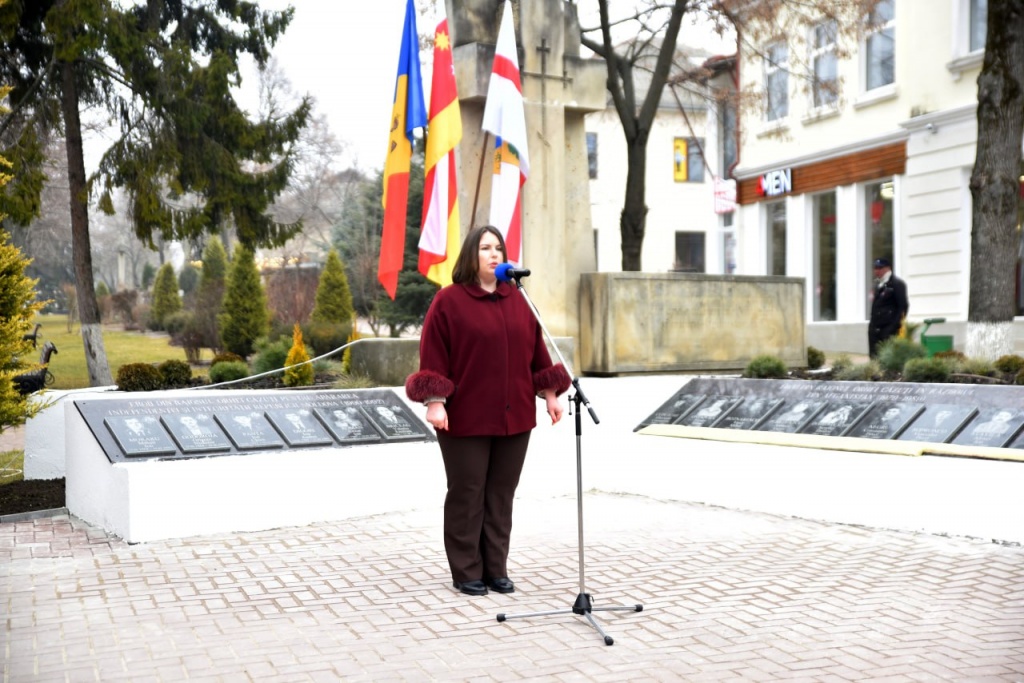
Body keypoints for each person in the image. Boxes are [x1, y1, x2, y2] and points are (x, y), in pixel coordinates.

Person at [405, 225, 571, 597]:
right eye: (485, 248)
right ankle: (466, 570)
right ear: (471, 255)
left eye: (498, 248)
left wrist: (550, 394)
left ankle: (495, 568)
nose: (494, 254)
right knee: (468, 492)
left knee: (500, 494)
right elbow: (433, 353)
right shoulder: (449, 301)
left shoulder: (519, 299)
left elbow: (538, 353)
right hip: (465, 416)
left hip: (515, 416)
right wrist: (435, 401)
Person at [868, 257, 909, 358]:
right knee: (874, 357)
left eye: (880, 268)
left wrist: (894, 326)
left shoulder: (897, 284)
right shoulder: (878, 284)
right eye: (875, 268)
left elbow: (903, 306)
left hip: (888, 329)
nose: (877, 271)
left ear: (888, 268)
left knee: (888, 358)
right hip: (875, 329)